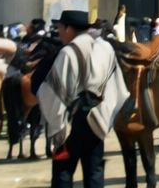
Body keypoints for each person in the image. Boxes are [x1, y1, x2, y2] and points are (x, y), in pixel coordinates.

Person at [38, 10, 128, 188]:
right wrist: (106, 116)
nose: (60, 32)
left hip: (73, 121)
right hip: (98, 120)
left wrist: (58, 126)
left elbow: (52, 93)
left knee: (63, 169)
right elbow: (118, 89)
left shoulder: (69, 52)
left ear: (69, 28)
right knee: (94, 170)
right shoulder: (106, 48)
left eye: (60, 28)